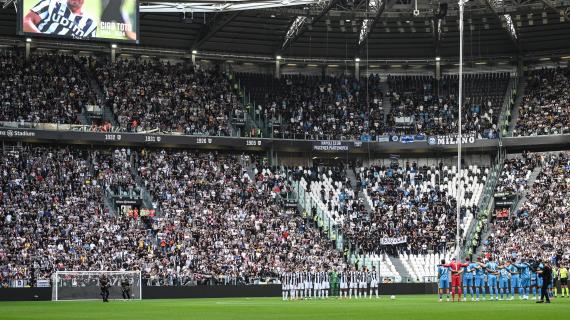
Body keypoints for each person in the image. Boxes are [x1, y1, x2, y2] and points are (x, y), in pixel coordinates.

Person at [23, 0, 97, 39]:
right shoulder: (52, 3)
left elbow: (92, 46)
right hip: (39, 48)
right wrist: (42, 39)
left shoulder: (90, 24)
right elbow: (26, 21)